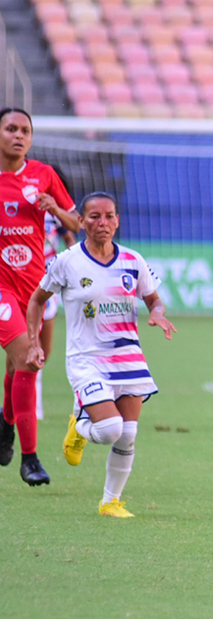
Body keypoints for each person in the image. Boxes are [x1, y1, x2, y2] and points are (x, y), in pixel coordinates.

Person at [25, 192, 175, 516]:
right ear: (81, 222)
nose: (102, 223)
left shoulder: (133, 261)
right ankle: (79, 427)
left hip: (128, 356)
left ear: (118, 220)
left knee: (128, 434)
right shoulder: (67, 261)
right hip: (86, 358)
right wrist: (33, 341)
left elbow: (154, 300)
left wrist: (158, 313)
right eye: (94, 217)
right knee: (109, 430)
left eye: (109, 216)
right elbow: (37, 300)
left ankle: (110, 502)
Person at [0, 107, 79, 486]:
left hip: (37, 288)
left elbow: (78, 223)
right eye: (11, 129)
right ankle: (29, 459)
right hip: (1, 290)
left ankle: (4, 421)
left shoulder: (43, 175)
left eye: (25, 130)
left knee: (22, 367)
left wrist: (57, 209)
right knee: (27, 362)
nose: (19, 135)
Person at [36, 167, 79, 420]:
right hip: (21, 281)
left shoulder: (55, 215)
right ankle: (29, 408)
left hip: (48, 283)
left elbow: (71, 237)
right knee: (25, 350)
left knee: (44, 350)